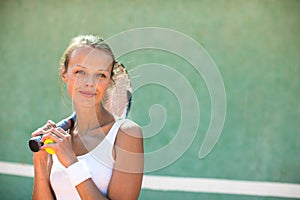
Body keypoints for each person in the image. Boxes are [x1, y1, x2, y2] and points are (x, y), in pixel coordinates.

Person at [31, 35, 144, 200]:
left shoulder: (127, 134)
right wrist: (40, 162)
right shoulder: (59, 139)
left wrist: (71, 162)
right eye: (80, 72)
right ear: (65, 74)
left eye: (101, 75)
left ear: (110, 81)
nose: (90, 82)